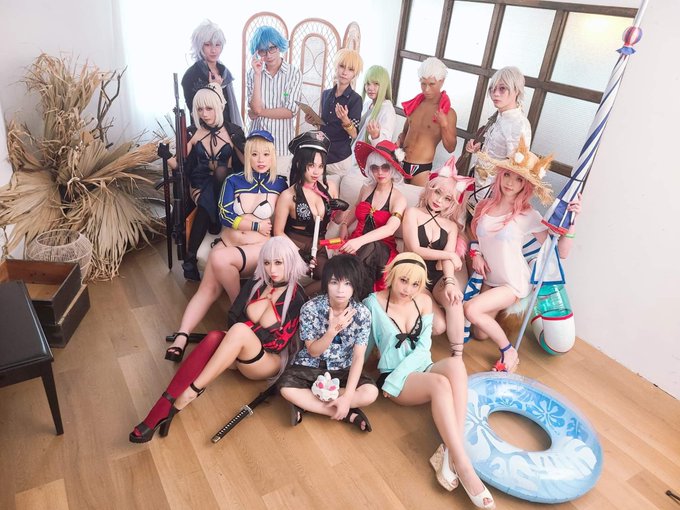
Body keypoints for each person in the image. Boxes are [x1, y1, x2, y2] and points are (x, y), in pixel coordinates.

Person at [130, 236, 308, 443]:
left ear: (290, 261)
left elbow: (276, 343)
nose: (272, 269)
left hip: (266, 361)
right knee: (215, 336)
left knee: (239, 330)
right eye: (267, 262)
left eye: (278, 262)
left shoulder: (297, 298)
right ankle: (164, 406)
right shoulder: (257, 283)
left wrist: (244, 333)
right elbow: (233, 316)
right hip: (242, 350)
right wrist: (241, 336)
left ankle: (189, 394)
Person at [363, 253, 495, 509]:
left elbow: (424, 349)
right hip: (395, 377)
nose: (408, 289)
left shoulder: (423, 301)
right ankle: (464, 466)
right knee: (440, 385)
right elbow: (364, 348)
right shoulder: (372, 303)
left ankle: (449, 452)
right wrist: (349, 376)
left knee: (456, 364)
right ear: (391, 275)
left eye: (415, 284)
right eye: (403, 281)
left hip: (423, 366)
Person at [165, 130, 289, 362]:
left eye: (265, 154)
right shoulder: (233, 181)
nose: (260, 160)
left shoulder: (280, 184)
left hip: (258, 250)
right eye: (254, 154)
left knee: (219, 258)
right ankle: (182, 336)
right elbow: (225, 214)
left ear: (273, 156)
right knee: (207, 290)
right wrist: (254, 224)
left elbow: (288, 212)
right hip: (228, 243)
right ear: (246, 156)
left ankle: (238, 312)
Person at [464, 137, 581, 373]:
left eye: (519, 179)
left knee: (471, 310)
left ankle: (509, 352)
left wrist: (572, 224)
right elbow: (475, 235)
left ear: (525, 185)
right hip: (490, 278)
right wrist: (475, 254)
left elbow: (560, 252)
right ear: (501, 175)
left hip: (513, 282)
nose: (510, 182)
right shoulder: (484, 206)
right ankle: (501, 321)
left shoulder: (528, 215)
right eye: (508, 174)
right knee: (479, 333)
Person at [278, 255, 378, 431]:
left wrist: (347, 397)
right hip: (310, 367)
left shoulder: (362, 314)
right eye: (334, 282)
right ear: (326, 283)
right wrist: (332, 331)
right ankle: (347, 414)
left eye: (347, 283)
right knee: (286, 388)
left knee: (370, 393)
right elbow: (313, 351)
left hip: (342, 369)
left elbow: (358, 357)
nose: (340, 290)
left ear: (355, 285)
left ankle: (310, 403)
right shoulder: (311, 308)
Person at [402, 157, 474, 353]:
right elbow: (414, 249)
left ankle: (457, 357)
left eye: (447, 198)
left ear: (453, 203)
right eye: (437, 192)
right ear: (430, 189)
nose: (439, 200)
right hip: (413, 275)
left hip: (436, 277)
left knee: (454, 299)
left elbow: (447, 260)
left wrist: (450, 282)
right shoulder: (412, 213)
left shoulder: (451, 226)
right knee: (439, 326)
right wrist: (449, 255)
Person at [178, 83, 245, 280]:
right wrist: (165, 156)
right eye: (200, 109)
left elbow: (246, 163)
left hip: (227, 184)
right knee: (207, 194)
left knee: (222, 173)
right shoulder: (193, 132)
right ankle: (213, 219)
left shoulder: (233, 131)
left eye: (209, 108)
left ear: (219, 107)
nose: (204, 114)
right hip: (200, 183)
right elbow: (179, 163)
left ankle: (190, 260)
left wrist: (242, 144)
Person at [273, 130, 346, 296]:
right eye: (311, 165)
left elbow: (337, 220)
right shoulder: (288, 196)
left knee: (336, 278)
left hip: (320, 247)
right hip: (294, 246)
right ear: (299, 163)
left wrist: (342, 209)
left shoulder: (329, 188)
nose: (316, 172)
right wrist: (299, 254)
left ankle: (297, 299)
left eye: (320, 166)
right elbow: (278, 232)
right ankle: (292, 299)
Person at [338, 140, 408, 291]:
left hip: (381, 248)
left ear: (394, 168)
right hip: (356, 242)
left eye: (385, 167)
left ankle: (354, 292)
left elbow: (390, 229)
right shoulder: (366, 189)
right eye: (375, 168)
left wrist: (359, 241)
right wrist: (344, 224)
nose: (380, 172)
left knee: (368, 249)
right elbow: (356, 208)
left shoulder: (398, 198)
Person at [464, 66, 532, 212]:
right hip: (479, 185)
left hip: (494, 193)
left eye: (502, 89)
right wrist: (479, 148)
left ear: (516, 90)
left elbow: (516, 169)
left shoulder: (518, 123)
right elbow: (497, 149)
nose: (495, 94)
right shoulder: (500, 116)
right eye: (492, 89)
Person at [247, 26, 302, 177]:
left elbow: (290, 111)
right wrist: (258, 75)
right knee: (255, 186)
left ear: (279, 46)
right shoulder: (253, 73)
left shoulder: (293, 73)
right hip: (257, 144)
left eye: (272, 48)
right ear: (257, 52)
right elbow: (255, 107)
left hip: (281, 145)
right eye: (262, 51)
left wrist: (259, 112)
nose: (268, 55)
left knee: (279, 187)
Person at [397, 57, 457, 186]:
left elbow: (451, 148)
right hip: (401, 162)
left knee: (416, 198)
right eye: (423, 84)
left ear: (442, 81)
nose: (426, 89)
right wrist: (398, 141)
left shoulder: (448, 113)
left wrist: (444, 125)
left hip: (421, 169)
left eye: (431, 84)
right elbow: (405, 132)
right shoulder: (415, 104)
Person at [181, 19, 242, 128]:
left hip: (228, 130)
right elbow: (196, 111)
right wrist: (215, 87)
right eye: (208, 45)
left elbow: (229, 108)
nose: (214, 50)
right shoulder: (191, 75)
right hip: (203, 132)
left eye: (217, 45)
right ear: (199, 46)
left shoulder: (225, 72)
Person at [314, 48, 363, 177]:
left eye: (350, 69)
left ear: (355, 74)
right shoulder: (326, 94)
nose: (345, 72)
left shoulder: (355, 99)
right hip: (321, 154)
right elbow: (325, 126)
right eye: (342, 66)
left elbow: (354, 134)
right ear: (336, 67)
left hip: (339, 159)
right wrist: (314, 121)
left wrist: (345, 119)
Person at [355, 65, 396, 147]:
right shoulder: (367, 104)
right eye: (367, 83)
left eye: (376, 84)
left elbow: (385, 143)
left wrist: (375, 135)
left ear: (384, 85)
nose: (370, 88)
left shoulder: (387, 110)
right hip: (355, 152)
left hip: (370, 154)